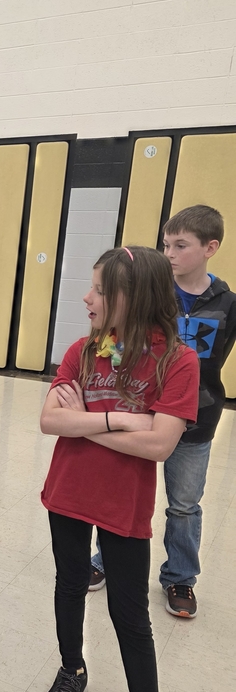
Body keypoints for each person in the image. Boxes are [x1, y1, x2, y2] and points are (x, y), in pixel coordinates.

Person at [40, 246, 201, 692]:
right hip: (68, 493)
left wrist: (82, 422)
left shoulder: (176, 362)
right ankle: (72, 668)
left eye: (101, 290)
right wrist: (117, 419)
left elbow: (159, 444)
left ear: (136, 299)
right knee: (68, 585)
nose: (88, 298)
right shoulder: (84, 351)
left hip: (123, 507)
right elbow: (48, 420)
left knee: (130, 613)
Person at [88, 206, 236, 618]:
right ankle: (104, 559)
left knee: (184, 504)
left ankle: (180, 578)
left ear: (210, 248)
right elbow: (114, 340)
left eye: (181, 246)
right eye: (166, 244)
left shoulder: (228, 303)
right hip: (139, 413)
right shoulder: (152, 295)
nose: (170, 253)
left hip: (197, 420)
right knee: (121, 492)